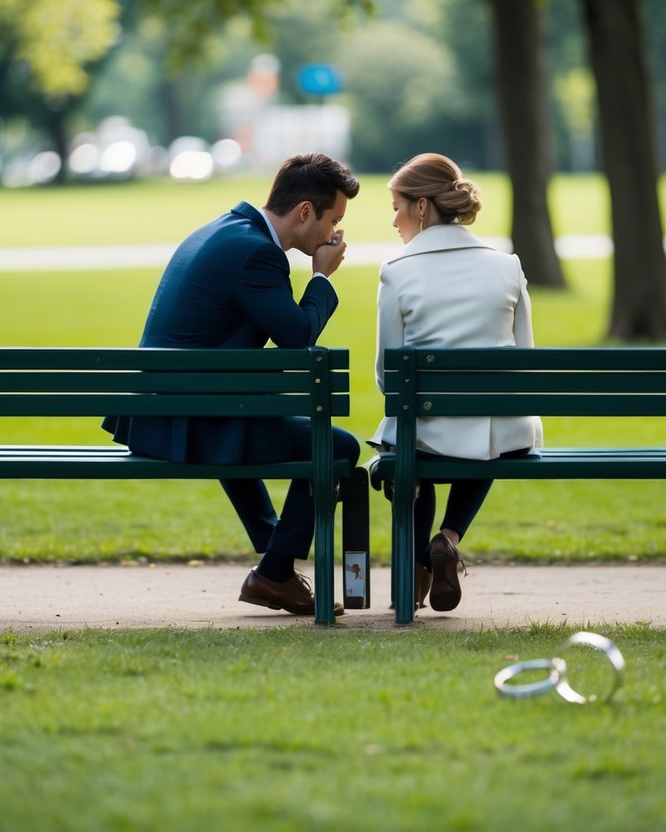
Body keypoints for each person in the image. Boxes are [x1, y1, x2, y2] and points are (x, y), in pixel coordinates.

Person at [103, 152, 362, 617]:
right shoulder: (258, 254)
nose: (334, 234)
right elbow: (297, 339)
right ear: (305, 212)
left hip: (162, 413)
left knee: (245, 414)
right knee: (338, 448)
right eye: (333, 219)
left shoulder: (223, 228)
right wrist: (321, 277)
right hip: (189, 421)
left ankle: (273, 551)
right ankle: (276, 571)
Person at [369, 153, 542, 613]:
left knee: (408, 445)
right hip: (501, 434)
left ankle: (413, 570)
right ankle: (446, 539)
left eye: (397, 206)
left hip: (423, 433)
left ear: (422, 207)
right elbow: (525, 361)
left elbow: (388, 374)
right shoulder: (508, 266)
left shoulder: (397, 271)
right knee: (487, 433)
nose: (393, 220)